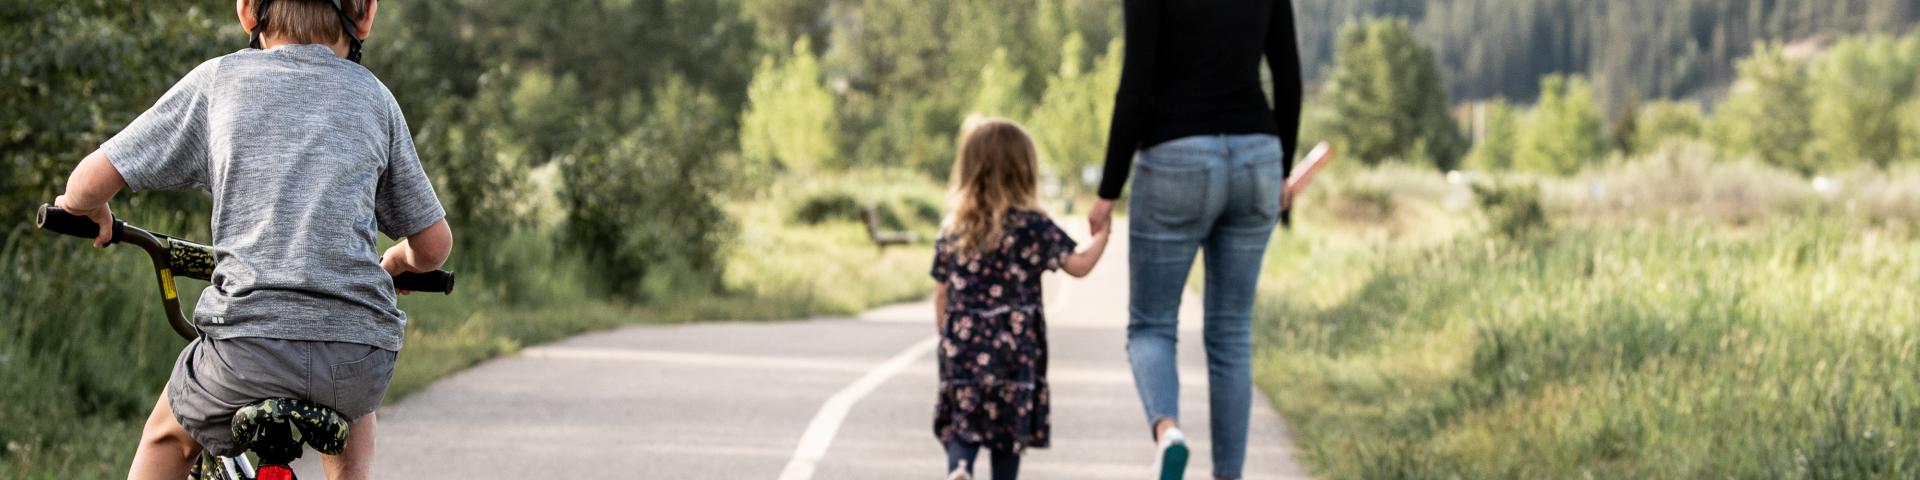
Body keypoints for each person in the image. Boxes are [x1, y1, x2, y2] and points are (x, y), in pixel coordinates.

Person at [52, 0, 450, 478]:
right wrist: (399, 261)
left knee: (166, 437)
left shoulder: (220, 81)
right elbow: (433, 246)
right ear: (365, 14)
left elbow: (85, 183)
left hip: (246, 350)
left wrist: (87, 209)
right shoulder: (375, 99)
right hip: (355, 359)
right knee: (353, 415)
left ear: (247, 10)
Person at [1088, 0, 1303, 479]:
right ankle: (1229, 474)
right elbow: (1288, 76)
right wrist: (1282, 171)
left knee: (1151, 325)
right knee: (1230, 335)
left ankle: (1169, 433)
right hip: (1257, 155)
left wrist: (1109, 188)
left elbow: (1137, 82)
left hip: (1174, 154)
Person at [931, 118, 1112, 480]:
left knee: (964, 421)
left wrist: (947, 338)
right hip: (1015, 351)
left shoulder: (955, 227)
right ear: (1025, 171)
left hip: (964, 348)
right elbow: (1078, 266)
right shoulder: (1033, 227)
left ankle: (961, 467)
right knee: (1007, 436)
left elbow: (942, 292)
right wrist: (1102, 236)